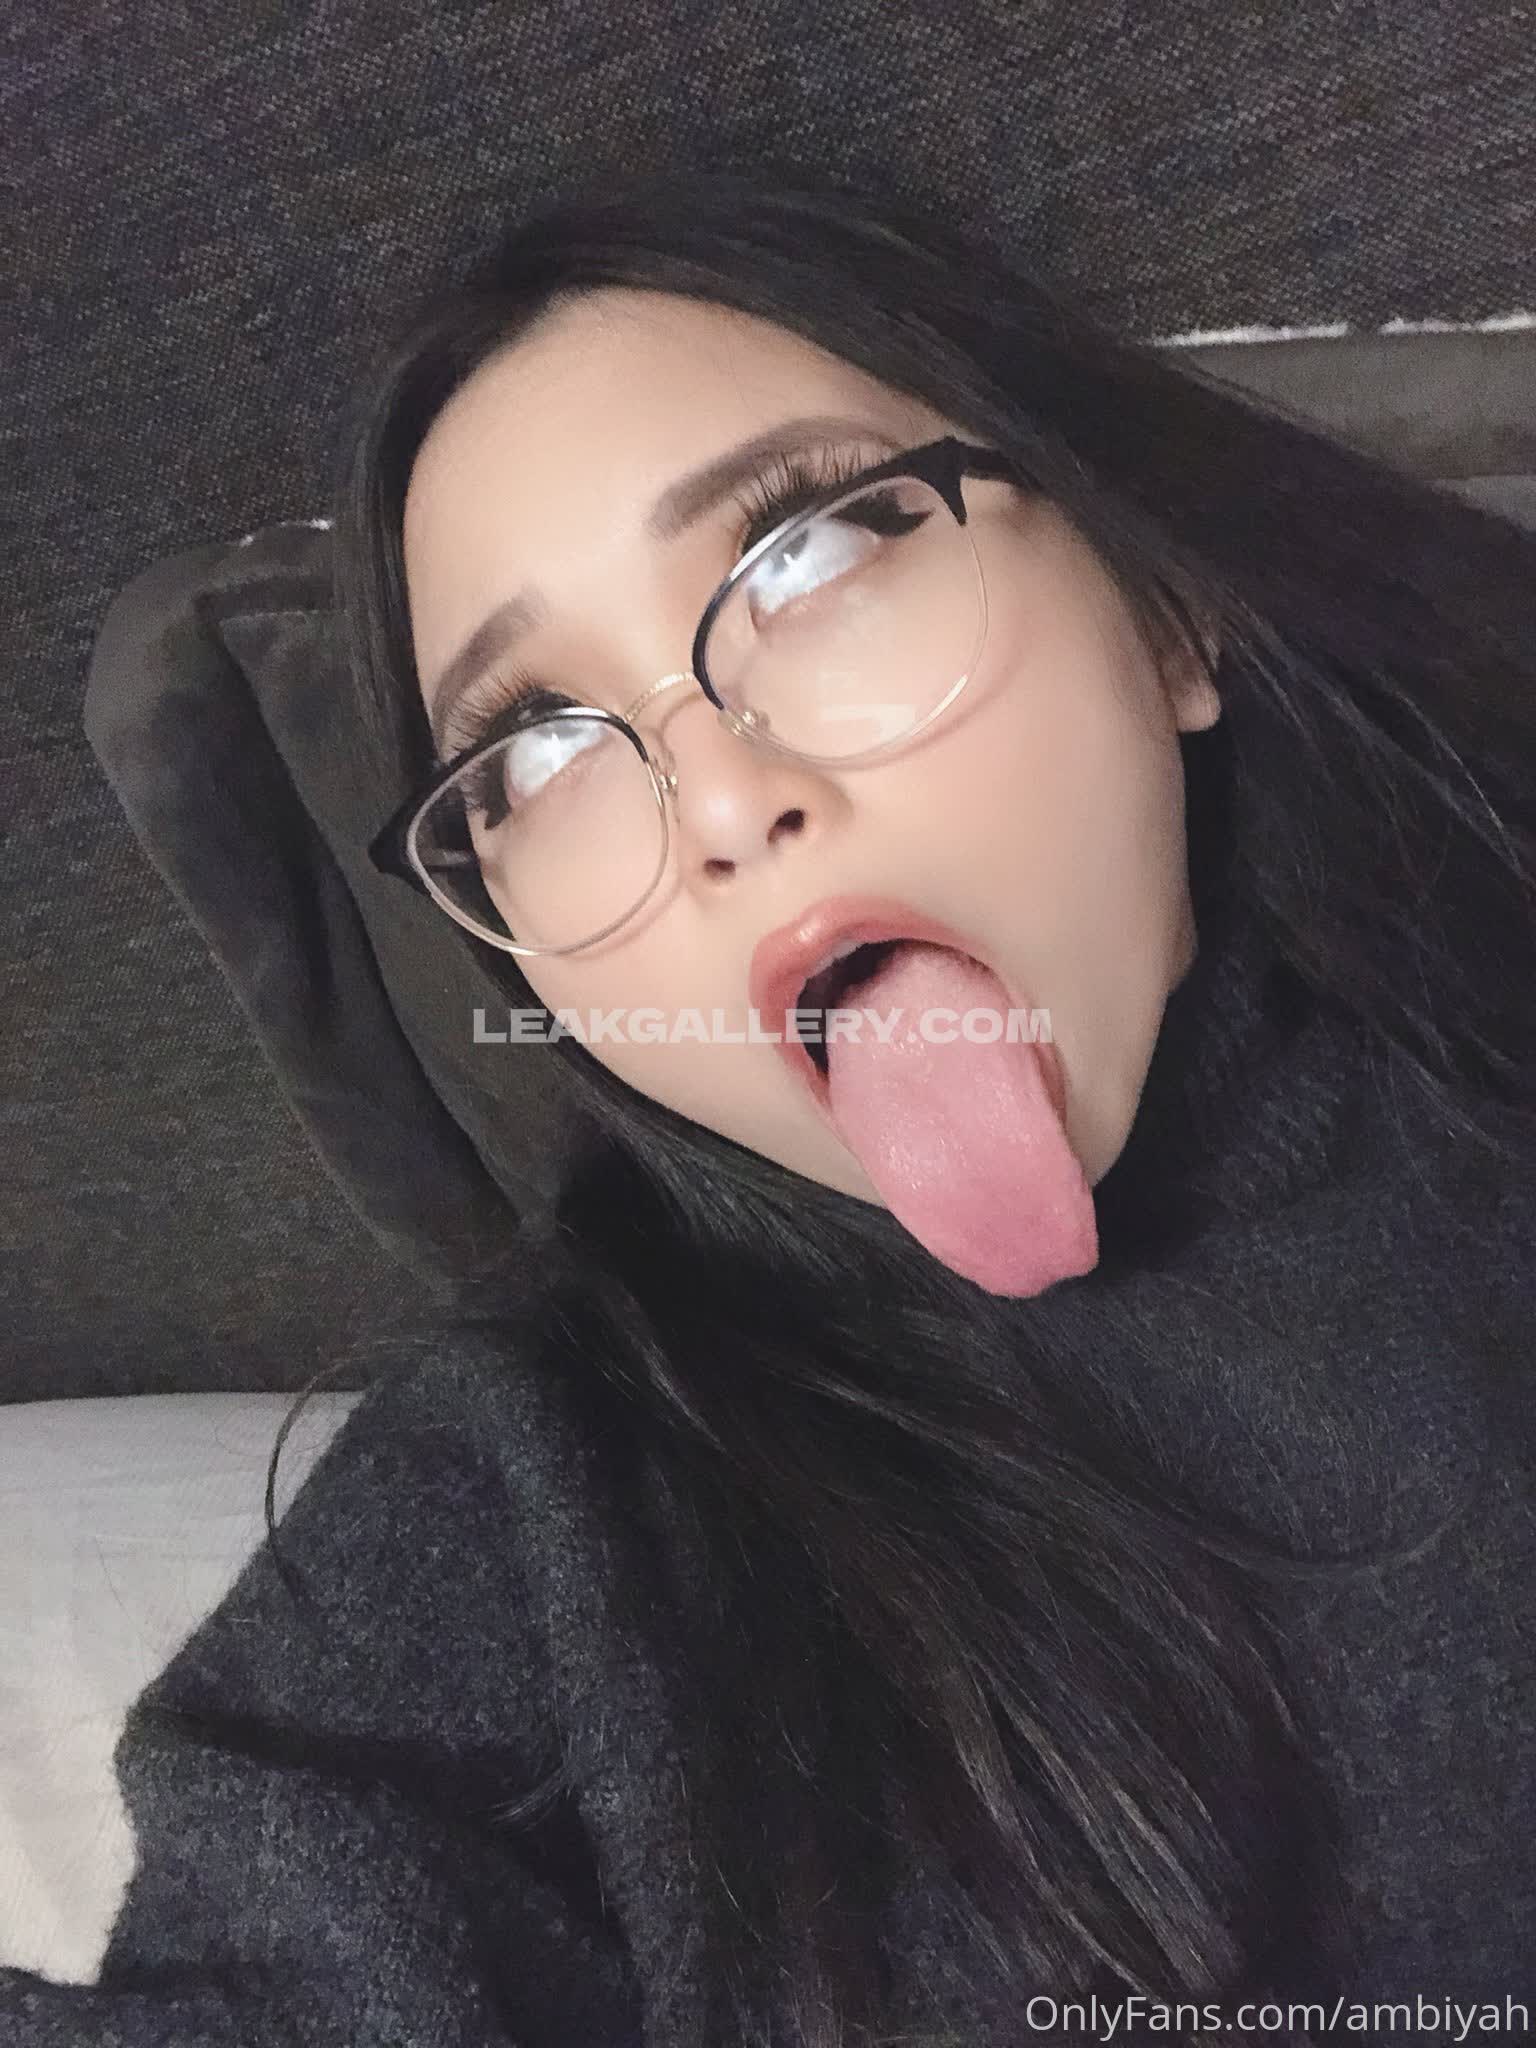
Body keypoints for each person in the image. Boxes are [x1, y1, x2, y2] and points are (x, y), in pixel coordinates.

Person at [5, 167, 1534, 2047]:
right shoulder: (546, 1500)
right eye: (530, 749)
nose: (724, 802)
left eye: (810, 552)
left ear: (1160, 617)